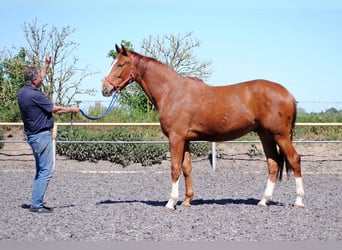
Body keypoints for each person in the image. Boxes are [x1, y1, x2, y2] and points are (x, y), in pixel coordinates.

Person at [18, 52, 80, 213]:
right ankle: (37, 204)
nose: (42, 77)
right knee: (45, 170)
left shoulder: (23, 93)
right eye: (39, 76)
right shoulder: (35, 95)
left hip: (33, 136)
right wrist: (72, 110)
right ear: (34, 80)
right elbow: (55, 109)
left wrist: (46, 65)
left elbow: (40, 77)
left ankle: (36, 201)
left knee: (40, 169)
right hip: (42, 136)